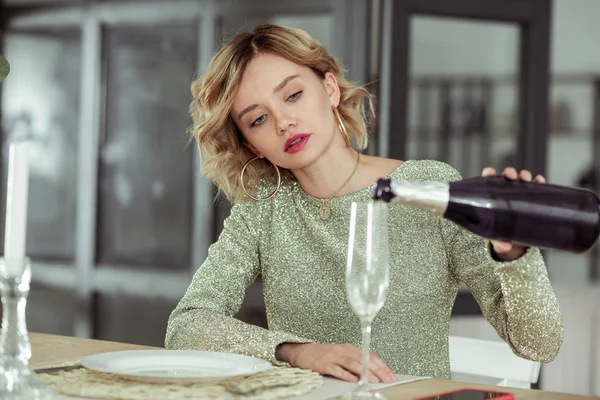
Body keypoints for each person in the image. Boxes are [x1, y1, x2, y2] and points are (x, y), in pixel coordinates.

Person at [165, 24, 563, 383]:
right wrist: (297, 352)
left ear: (330, 89)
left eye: (293, 95)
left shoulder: (429, 187)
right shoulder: (263, 208)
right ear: (251, 144)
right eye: (257, 120)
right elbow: (186, 325)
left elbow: (540, 345)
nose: (283, 122)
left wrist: (515, 257)